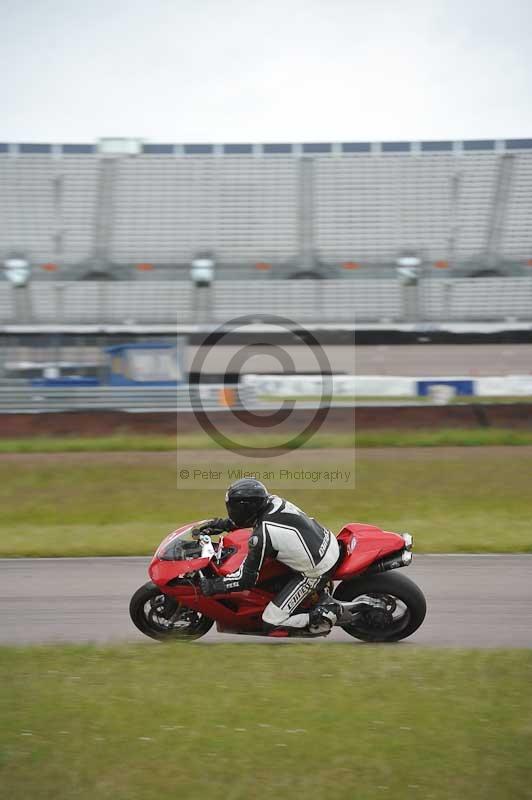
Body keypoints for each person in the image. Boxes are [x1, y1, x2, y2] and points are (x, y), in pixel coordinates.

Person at [196, 478, 342, 635]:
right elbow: (256, 519)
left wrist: (214, 586)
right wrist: (223, 525)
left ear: (245, 509)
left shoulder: (263, 535)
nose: (232, 512)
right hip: (324, 541)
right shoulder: (272, 501)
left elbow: (245, 580)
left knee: (272, 622)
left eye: (234, 509)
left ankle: (326, 613)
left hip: (317, 568)